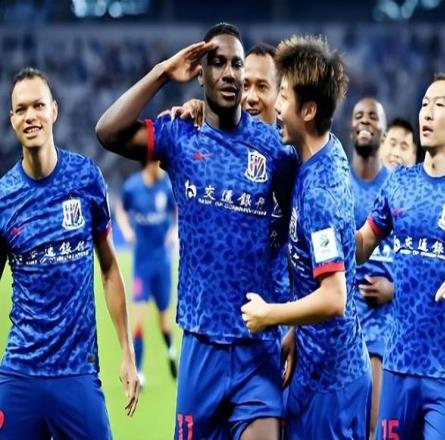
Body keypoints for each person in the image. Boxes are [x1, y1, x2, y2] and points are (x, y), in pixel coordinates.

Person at [96, 23, 297, 440]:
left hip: (258, 346)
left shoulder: (275, 150)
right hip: (200, 345)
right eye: (217, 63)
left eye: (236, 64)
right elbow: (108, 131)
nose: (229, 73)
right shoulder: (180, 136)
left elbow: (300, 239)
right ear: (201, 74)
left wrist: (296, 325)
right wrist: (163, 73)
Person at [241, 35, 371, 439]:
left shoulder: (320, 194)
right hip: (315, 366)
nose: (277, 107)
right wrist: (297, 332)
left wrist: (271, 315)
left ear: (309, 110)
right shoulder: (321, 155)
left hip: (333, 385)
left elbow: (334, 297)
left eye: (283, 95)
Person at [0, 67, 139, 440]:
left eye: (38, 106)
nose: (31, 116)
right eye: (21, 109)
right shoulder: (4, 198)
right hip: (20, 373)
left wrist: (127, 352)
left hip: (77, 372)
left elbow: (109, 269)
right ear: (12, 120)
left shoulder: (86, 178)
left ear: (54, 111)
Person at [356, 73, 445, 440]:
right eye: (424, 104)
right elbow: (363, 242)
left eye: (439, 105)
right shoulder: (399, 183)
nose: (427, 113)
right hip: (397, 366)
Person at [349, 97, 394, 439]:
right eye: (359, 116)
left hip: (381, 326)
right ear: (350, 127)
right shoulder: (338, 183)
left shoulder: (397, 188)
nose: (365, 121)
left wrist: (395, 288)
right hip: (339, 320)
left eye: (373, 117)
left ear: (384, 131)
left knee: (371, 427)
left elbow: (415, 258)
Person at [115, 160, 178, 386]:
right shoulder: (132, 187)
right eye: (159, 163)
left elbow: (177, 210)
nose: (162, 167)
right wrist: (126, 230)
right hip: (141, 267)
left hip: (163, 264)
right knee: (138, 321)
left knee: (164, 322)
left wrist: (174, 231)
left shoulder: (166, 187)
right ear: (150, 163)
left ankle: (170, 350)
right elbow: (120, 208)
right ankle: (139, 371)